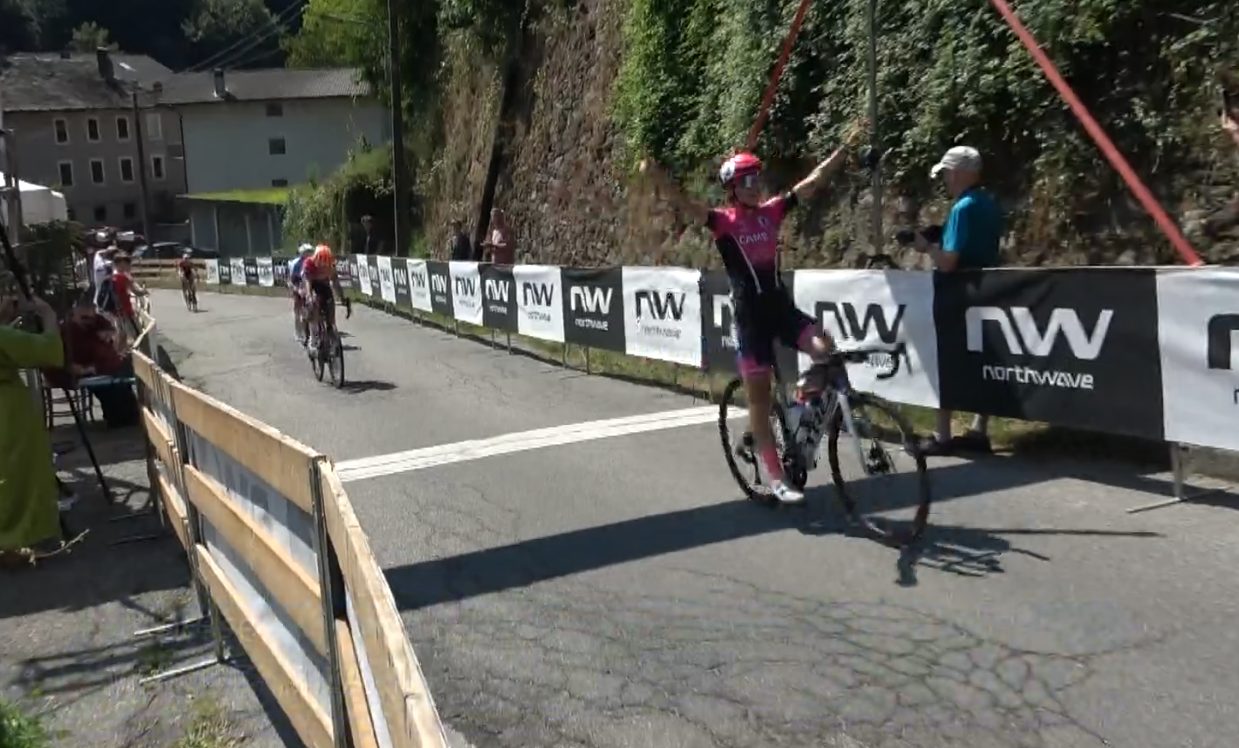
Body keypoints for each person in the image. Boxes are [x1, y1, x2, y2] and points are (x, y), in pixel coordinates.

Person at [641, 132, 860, 504]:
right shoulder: (724, 222)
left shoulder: (773, 211)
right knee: (758, 400)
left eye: (757, 178)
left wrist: (844, 150)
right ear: (732, 188)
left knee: (827, 350)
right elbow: (686, 204)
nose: (755, 185)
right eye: (746, 181)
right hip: (749, 320)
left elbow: (811, 184)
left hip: (781, 309)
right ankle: (774, 477)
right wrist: (658, 178)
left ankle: (801, 409)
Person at [913, 145, 1004, 456]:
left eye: (948, 173)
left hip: (958, 292)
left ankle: (942, 436)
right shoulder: (989, 203)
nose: (946, 180)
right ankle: (979, 429)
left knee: (946, 362)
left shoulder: (961, 207)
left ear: (960, 172)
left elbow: (949, 261)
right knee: (984, 360)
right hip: (988, 287)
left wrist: (926, 246)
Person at [0, 283, 65, 562]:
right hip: (8, 415)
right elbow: (46, 351)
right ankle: (12, 541)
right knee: (16, 476)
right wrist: (48, 316)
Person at [301, 243, 351, 351]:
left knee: (330, 306)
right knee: (313, 303)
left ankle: (331, 331)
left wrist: (342, 298)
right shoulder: (308, 263)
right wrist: (309, 296)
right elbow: (308, 282)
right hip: (311, 285)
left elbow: (336, 283)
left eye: (326, 263)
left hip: (324, 286)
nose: (323, 266)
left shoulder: (331, 265)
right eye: (321, 263)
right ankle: (313, 337)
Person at [109, 253, 146, 342]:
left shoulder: (112, 276)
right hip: (126, 312)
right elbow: (137, 292)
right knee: (138, 335)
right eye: (127, 264)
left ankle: (119, 354)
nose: (129, 266)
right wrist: (144, 290)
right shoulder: (123, 277)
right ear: (121, 264)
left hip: (116, 312)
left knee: (122, 336)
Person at [288, 243, 314, 343]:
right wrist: (297, 289)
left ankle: (310, 330)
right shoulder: (296, 264)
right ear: (302, 253)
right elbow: (291, 280)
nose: (310, 254)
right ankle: (298, 331)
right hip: (297, 284)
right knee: (297, 308)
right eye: (308, 252)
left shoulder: (312, 261)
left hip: (307, 284)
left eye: (311, 252)